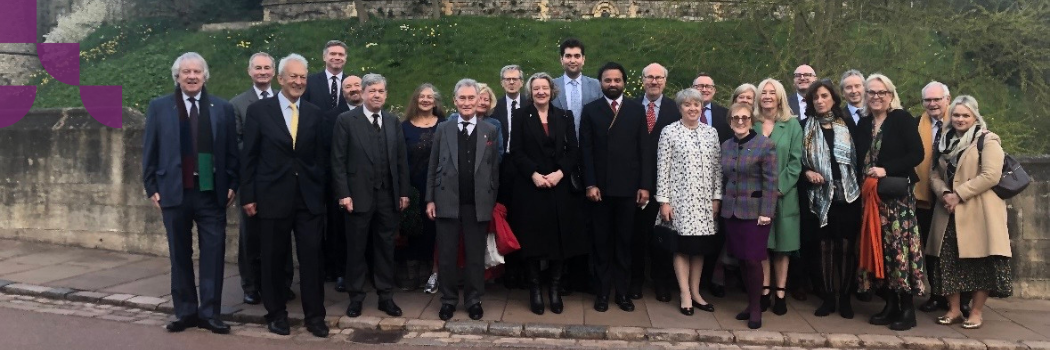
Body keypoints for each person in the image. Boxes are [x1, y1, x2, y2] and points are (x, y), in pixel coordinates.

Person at [142, 52, 236, 334]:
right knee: (179, 255)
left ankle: (209, 313)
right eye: (186, 72)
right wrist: (151, 188)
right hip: (174, 191)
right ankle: (185, 312)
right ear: (178, 76)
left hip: (211, 191)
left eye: (197, 72)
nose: (192, 76)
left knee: (213, 254)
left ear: (205, 76)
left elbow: (232, 151)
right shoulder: (159, 107)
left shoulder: (222, 108)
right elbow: (151, 150)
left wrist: (233, 183)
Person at [240, 53, 329, 338]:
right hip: (271, 197)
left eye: (303, 77)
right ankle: (276, 314)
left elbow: (320, 158)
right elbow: (249, 158)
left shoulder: (315, 114)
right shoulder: (260, 112)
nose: (299, 81)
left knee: (312, 260)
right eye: (293, 76)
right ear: (280, 79)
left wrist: (321, 192)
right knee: (273, 259)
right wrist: (249, 196)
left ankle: (315, 317)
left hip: (308, 199)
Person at [331, 73, 411, 318]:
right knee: (356, 248)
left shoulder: (392, 121)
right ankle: (356, 297)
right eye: (372, 91)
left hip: (387, 195)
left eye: (381, 91)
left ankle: (385, 296)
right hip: (358, 196)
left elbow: (400, 160)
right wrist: (343, 194)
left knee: (386, 247)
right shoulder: (346, 120)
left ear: (386, 95)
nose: (376, 95)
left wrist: (404, 192)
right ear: (363, 94)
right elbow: (338, 160)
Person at [928, 95, 1012, 330]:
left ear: (975, 116)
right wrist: (944, 193)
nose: (960, 119)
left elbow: (991, 175)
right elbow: (933, 173)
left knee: (981, 264)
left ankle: (975, 312)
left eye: (965, 115)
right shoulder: (943, 140)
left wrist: (959, 194)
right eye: (956, 115)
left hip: (978, 210)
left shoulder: (988, 140)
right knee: (948, 261)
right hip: (948, 211)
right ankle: (954, 309)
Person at [509, 72, 588, 315]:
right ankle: (535, 290)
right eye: (536, 89)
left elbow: (573, 150)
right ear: (530, 92)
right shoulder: (521, 115)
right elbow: (517, 151)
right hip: (531, 187)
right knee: (533, 240)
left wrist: (559, 173)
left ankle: (554, 289)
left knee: (558, 240)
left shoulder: (564, 116)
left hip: (558, 187)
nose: (540, 92)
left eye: (544, 88)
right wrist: (533, 174)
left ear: (552, 90)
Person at [426, 78, 502, 321]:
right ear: (455, 100)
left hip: (477, 203)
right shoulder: (443, 129)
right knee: (447, 256)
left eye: (472, 98)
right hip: (447, 200)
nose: (467, 103)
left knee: (474, 255)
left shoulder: (489, 130)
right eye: (463, 98)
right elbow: (433, 165)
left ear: (479, 100)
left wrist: (490, 201)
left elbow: (493, 170)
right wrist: (430, 199)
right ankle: (448, 300)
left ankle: (473, 300)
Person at [580, 62, 652, 312]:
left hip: (628, 189)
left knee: (624, 243)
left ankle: (622, 293)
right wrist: (590, 183)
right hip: (599, 190)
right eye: (608, 80)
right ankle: (601, 293)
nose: (612, 84)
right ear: (600, 83)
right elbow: (585, 150)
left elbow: (644, 149)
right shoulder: (590, 110)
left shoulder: (635, 109)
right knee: (601, 243)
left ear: (624, 82)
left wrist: (644, 185)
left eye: (617, 80)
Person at [855, 73, 925, 331]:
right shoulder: (863, 123)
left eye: (881, 93)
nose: (876, 97)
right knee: (881, 251)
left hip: (897, 199)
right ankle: (890, 305)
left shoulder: (901, 119)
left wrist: (887, 168)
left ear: (890, 95)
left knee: (899, 252)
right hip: (872, 198)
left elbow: (917, 153)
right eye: (871, 93)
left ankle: (907, 310)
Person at [230, 52, 295, 305]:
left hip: (281, 180)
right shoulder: (237, 104)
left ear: (275, 73)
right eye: (258, 68)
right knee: (251, 237)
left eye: (267, 68)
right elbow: (236, 142)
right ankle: (251, 285)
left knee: (282, 235)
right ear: (250, 72)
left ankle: (283, 282)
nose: (263, 72)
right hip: (253, 180)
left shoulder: (285, 100)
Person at [655, 88, 722, 316]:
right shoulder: (669, 132)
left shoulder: (711, 133)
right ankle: (684, 293)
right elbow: (662, 168)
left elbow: (717, 168)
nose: (692, 108)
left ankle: (696, 292)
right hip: (680, 200)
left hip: (704, 202)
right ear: (680, 108)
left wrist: (716, 197)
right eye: (687, 105)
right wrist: (664, 201)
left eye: (696, 104)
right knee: (682, 247)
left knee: (699, 248)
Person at [800, 80, 862, 319]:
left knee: (846, 248)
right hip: (819, 196)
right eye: (815, 98)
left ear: (834, 99)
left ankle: (845, 298)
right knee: (823, 247)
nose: (820, 101)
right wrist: (807, 173)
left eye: (824, 96)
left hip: (848, 194)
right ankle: (827, 298)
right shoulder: (805, 126)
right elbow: (799, 161)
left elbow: (859, 159)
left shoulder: (847, 125)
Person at [720, 102, 778, 329]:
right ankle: (749, 303)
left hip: (756, 213)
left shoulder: (765, 145)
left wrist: (767, 212)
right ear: (730, 121)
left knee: (753, 260)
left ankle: (756, 308)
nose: (741, 121)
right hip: (732, 211)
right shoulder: (726, 145)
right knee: (741, 260)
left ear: (752, 120)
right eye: (736, 118)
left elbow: (771, 182)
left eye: (745, 117)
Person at [916, 82, 972, 316]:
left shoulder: (960, 121)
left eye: (937, 99)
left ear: (947, 99)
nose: (932, 104)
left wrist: (956, 193)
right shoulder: (918, 124)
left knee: (960, 250)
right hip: (927, 195)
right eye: (928, 100)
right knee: (931, 249)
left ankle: (963, 299)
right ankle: (936, 294)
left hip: (959, 198)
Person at [631, 63, 681, 302]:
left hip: (666, 186)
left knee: (662, 236)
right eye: (649, 77)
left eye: (658, 78)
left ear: (665, 81)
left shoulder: (675, 109)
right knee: (637, 237)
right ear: (642, 80)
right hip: (636, 184)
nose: (654, 81)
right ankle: (636, 281)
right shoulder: (630, 107)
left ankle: (661, 282)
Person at [753, 78, 803, 315]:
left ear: (780, 96)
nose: (768, 96)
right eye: (764, 92)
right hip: (757, 195)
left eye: (772, 92)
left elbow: (795, 162)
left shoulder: (792, 125)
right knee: (762, 245)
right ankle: (764, 290)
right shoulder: (751, 123)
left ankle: (780, 293)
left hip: (784, 195)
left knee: (783, 247)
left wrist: (777, 188)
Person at [398, 83, 446, 293]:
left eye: (430, 97)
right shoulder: (404, 127)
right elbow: (399, 159)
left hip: (437, 187)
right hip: (413, 188)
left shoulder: (444, 125)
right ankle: (412, 275)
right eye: (422, 96)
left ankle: (432, 273)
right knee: (412, 230)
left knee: (433, 232)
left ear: (435, 101)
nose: (426, 100)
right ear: (416, 100)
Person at [322, 74, 363, 293]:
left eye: (357, 85)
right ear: (342, 91)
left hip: (365, 182)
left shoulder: (372, 114)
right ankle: (341, 272)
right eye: (348, 86)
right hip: (340, 181)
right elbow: (330, 152)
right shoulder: (330, 117)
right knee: (339, 229)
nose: (354, 89)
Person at [552, 38, 602, 137]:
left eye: (577, 56)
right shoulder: (551, 86)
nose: (572, 60)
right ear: (561, 60)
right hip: (561, 145)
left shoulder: (597, 85)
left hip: (589, 144)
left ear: (583, 59)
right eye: (568, 56)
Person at [302, 40, 348, 111]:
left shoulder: (353, 84)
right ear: (324, 57)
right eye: (333, 54)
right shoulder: (309, 82)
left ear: (345, 58)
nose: (337, 57)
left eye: (341, 54)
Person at [692, 73, 733, 143]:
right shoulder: (681, 112)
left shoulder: (726, 114)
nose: (704, 90)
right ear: (692, 89)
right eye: (700, 86)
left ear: (714, 90)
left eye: (708, 86)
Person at [474, 83, 506, 161]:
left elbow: (499, 152)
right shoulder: (455, 119)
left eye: (486, 100)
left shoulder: (495, 124)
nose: (482, 103)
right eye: (479, 99)